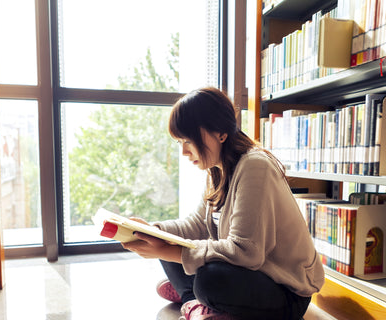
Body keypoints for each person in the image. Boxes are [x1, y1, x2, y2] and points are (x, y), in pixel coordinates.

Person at [121, 87, 324, 320]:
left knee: (209, 278)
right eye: (180, 142)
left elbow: (246, 252)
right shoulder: (217, 170)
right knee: (165, 242)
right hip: (253, 275)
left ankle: (193, 293)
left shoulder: (255, 165)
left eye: (189, 140)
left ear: (220, 133)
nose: (185, 152)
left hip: (285, 292)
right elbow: (195, 224)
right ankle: (194, 300)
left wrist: (172, 251)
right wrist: (152, 230)